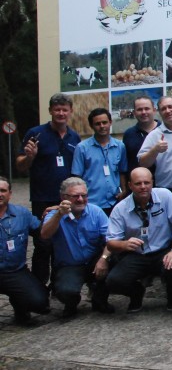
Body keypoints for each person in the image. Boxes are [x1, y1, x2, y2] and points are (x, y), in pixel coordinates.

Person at [15, 93, 80, 287]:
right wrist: (30, 157)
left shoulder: (74, 137)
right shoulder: (36, 133)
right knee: (43, 243)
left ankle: (58, 285)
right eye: (57, 109)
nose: (61, 113)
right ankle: (39, 285)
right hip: (42, 198)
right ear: (50, 110)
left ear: (70, 111)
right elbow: (20, 166)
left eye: (64, 110)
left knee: (63, 243)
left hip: (66, 200)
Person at [103, 168, 172, 313]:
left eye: (146, 183)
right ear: (130, 185)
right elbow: (111, 243)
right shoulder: (120, 209)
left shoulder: (165, 195)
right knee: (113, 281)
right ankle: (136, 293)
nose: (143, 187)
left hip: (163, 250)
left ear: (152, 182)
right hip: (137, 255)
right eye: (138, 183)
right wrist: (124, 244)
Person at [41, 177, 114, 317]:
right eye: (75, 196)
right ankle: (72, 303)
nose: (80, 199)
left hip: (94, 261)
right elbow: (45, 235)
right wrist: (59, 215)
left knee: (115, 261)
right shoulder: (54, 214)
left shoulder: (96, 212)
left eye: (84, 195)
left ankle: (99, 299)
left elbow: (110, 239)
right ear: (63, 197)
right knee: (65, 291)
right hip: (70, 265)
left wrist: (103, 258)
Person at [0, 177, 50, 324]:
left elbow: (43, 233)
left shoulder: (22, 214)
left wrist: (54, 216)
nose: (0, 194)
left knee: (39, 302)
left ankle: (20, 307)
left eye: (3, 190)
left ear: (10, 194)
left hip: (15, 271)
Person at [71, 108, 127, 216]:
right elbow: (77, 177)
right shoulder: (82, 148)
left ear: (110, 122)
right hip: (92, 202)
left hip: (114, 201)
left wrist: (124, 190)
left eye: (104, 122)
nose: (102, 126)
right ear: (91, 126)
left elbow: (122, 171)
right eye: (97, 124)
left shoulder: (120, 146)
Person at [122, 96, 159, 177]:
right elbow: (126, 163)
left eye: (147, 108)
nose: (143, 112)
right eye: (139, 109)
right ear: (134, 113)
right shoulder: (129, 134)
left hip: (164, 182)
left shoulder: (164, 130)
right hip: (139, 182)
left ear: (154, 110)